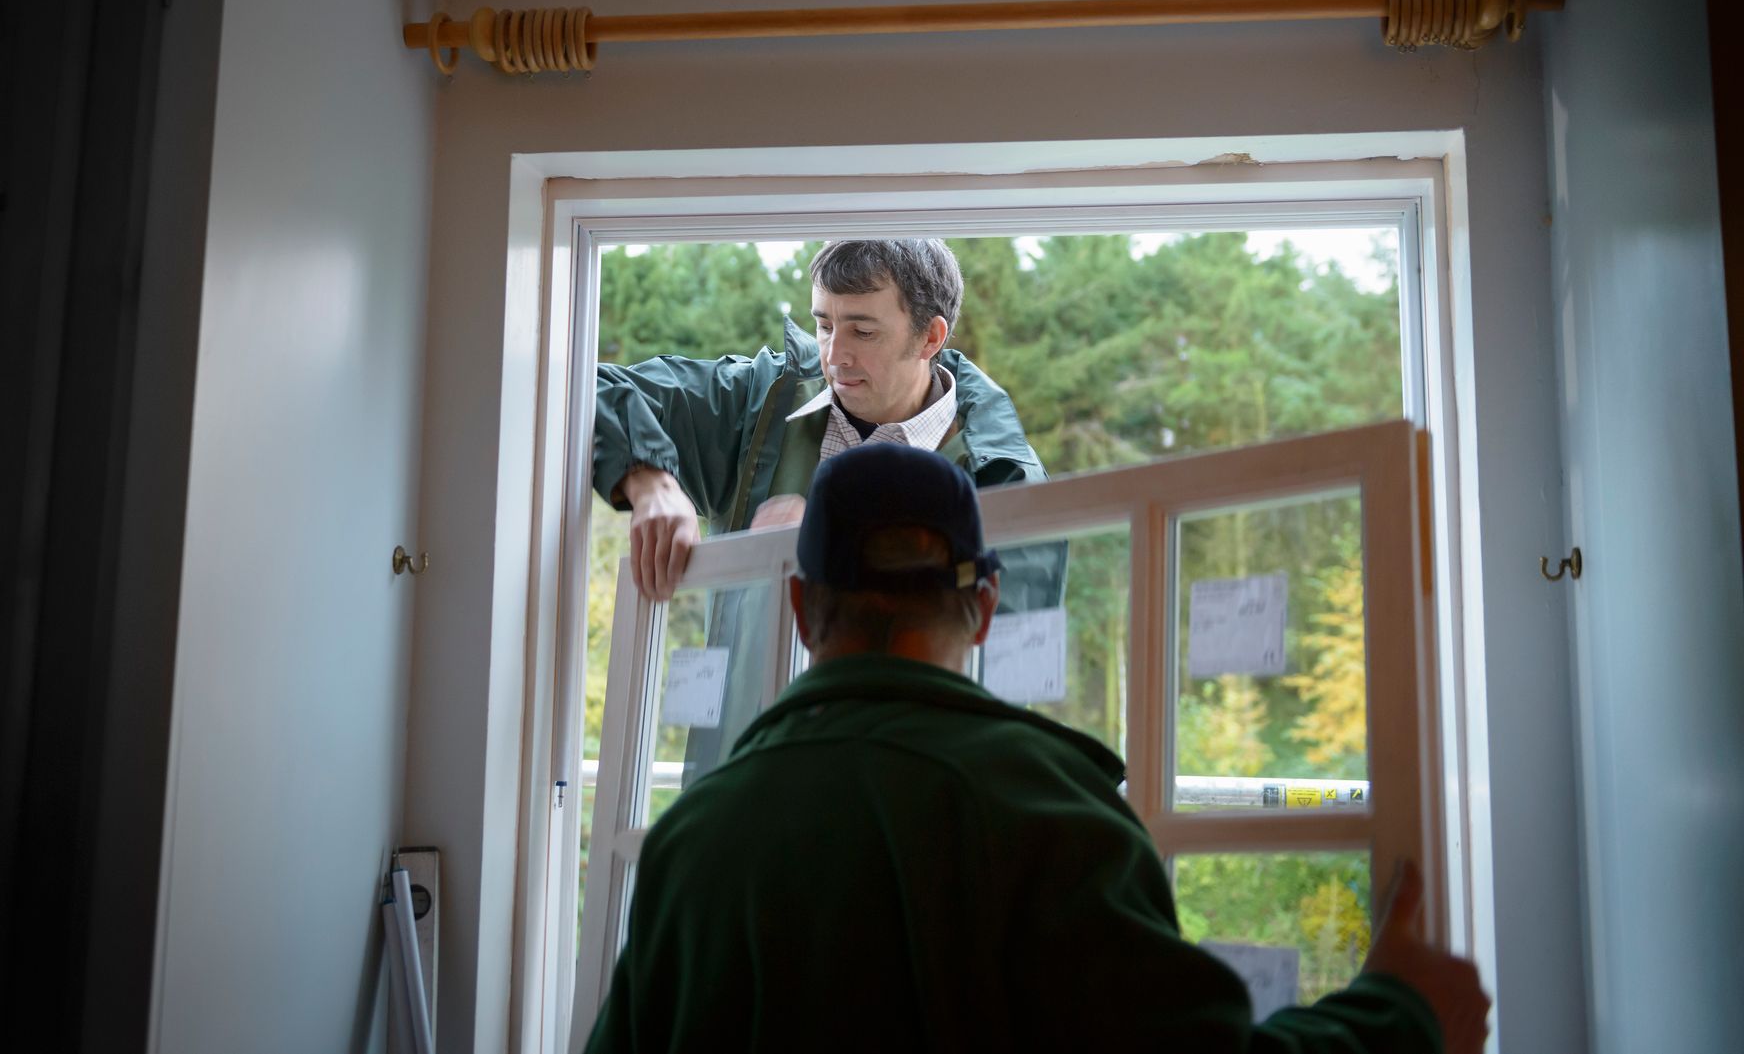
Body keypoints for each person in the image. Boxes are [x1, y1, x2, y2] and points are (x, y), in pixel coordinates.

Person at [583, 442, 1491, 1054]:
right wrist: (1400, 1014)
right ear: (984, 607)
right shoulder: (1048, 810)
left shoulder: (690, 839)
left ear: (798, 606)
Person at [593, 237, 1060, 606]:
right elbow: (584, 383)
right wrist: (648, 477)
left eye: (863, 331)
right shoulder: (756, 404)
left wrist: (829, 547)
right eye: (824, 325)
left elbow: (1005, 659)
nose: (835, 356)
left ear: (930, 338)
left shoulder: (1006, 476)